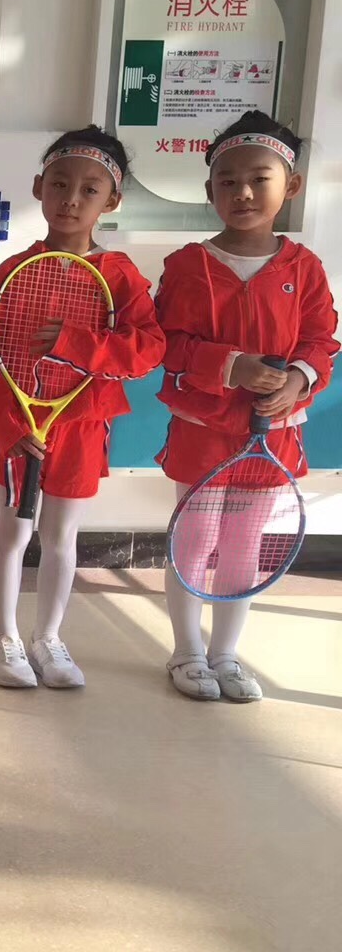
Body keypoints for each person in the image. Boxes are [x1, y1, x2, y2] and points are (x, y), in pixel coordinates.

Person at [0, 127, 163, 689]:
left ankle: (49, 637)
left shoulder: (121, 275)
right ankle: (4, 637)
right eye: (59, 184)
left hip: (81, 426)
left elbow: (148, 350)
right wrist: (7, 425)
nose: (71, 199)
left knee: (60, 537)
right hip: (18, 429)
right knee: (13, 532)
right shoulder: (12, 270)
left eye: (89, 190)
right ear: (39, 187)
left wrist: (76, 343)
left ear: (112, 200)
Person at [156, 111, 338, 702]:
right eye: (228, 181)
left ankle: (225, 654)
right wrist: (229, 365)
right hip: (203, 430)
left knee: (244, 544)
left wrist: (300, 379)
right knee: (194, 539)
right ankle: (186, 652)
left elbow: (321, 340)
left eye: (260, 179)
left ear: (292, 186)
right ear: (209, 190)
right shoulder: (187, 265)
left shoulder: (304, 268)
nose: (243, 193)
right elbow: (167, 344)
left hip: (272, 434)